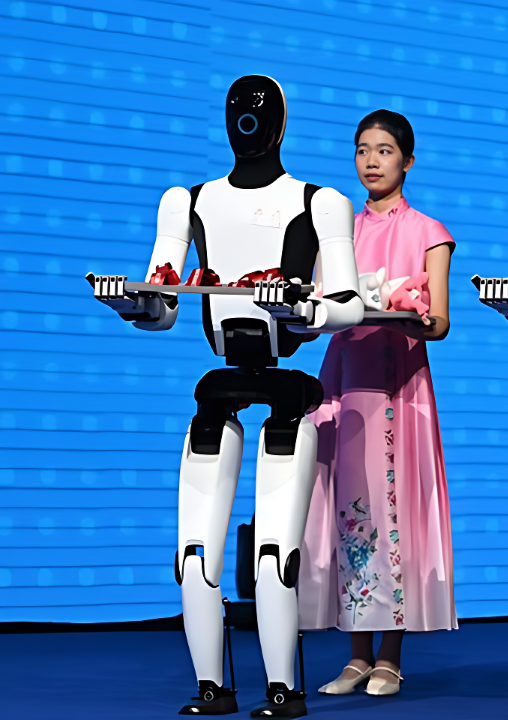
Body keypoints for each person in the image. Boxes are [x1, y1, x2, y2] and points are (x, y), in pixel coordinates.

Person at [90, 75, 365, 718]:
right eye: (237, 109)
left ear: (282, 122)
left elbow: (348, 304)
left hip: (286, 390)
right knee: (193, 557)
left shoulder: (319, 202)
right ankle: (211, 686)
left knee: (274, 556)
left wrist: (305, 313)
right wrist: (134, 304)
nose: (248, 120)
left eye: (259, 111)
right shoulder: (187, 201)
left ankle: (281, 688)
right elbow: (164, 305)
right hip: (219, 390)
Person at [298, 109, 457, 698]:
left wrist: (406, 306)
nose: (371, 161)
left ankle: (390, 655)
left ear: (408, 160)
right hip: (343, 381)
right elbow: (319, 309)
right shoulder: (337, 232)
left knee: (393, 515)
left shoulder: (430, 231)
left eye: (385, 150)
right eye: (362, 149)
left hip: (397, 383)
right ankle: (355, 654)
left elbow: (439, 323)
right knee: (347, 511)